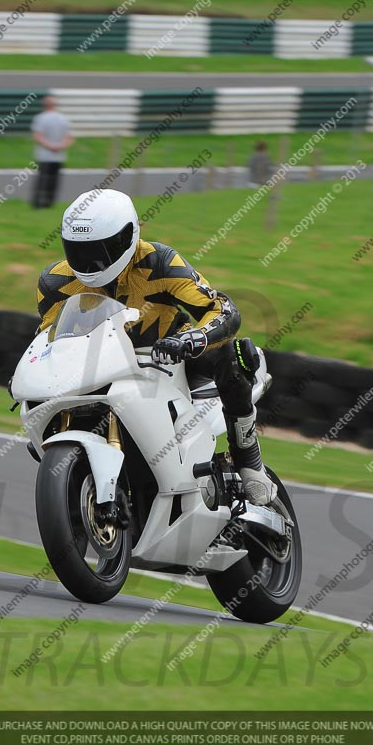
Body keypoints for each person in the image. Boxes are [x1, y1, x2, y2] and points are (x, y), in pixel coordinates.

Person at [36, 188, 276, 506]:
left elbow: (222, 308)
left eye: (102, 250)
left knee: (230, 354)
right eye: (80, 251)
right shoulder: (55, 282)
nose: (91, 262)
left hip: (168, 358)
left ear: (129, 236)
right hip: (101, 369)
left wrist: (194, 339)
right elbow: (46, 338)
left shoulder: (160, 262)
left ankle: (249, 462)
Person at [31, 95, 74, 208]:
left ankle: (39, 203)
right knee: (54, 181)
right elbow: (69, 138)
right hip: (59, 156)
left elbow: (37, 136)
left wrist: (50, 146)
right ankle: (50, 202)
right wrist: (59, 146)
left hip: (44, 155)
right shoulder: (64, 119)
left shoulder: (40, 118)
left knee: (42, 180)